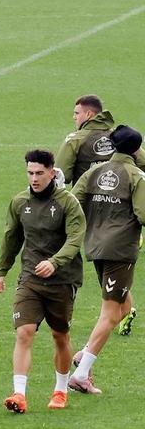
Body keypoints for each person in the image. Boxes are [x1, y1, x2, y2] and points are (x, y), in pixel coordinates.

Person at [0, 150, 85, 413]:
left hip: (62, 281)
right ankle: (19, 394)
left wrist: (54, 262)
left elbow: (75, 239)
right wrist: (1, 270)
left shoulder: (68, 203)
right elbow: (11, 238)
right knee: (24, 332)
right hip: (30, 279)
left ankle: (60, 390)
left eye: (39, 173)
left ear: (51, 172)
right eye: (30, 173)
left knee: (60, 336)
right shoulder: (20, 202)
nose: (34, 178)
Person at [68, 125, 145, 395]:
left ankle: (83, 354)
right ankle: (81, 374)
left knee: (123, 306)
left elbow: (72, 203)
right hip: (120, 251)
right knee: (111, 314)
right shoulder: (136, 175)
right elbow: (143, 213)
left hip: (95, 246)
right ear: (136, 149)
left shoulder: (93, 171)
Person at [56, 94, 138, 336]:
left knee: (99, 261)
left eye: (76, 113)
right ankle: (125, 308)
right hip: (122, 216)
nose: (74, 118)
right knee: (114, 266)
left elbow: (60, 177)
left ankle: (108, 319)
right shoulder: (120, 137)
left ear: (88, 114)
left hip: (92, 213)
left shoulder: (76, 139)